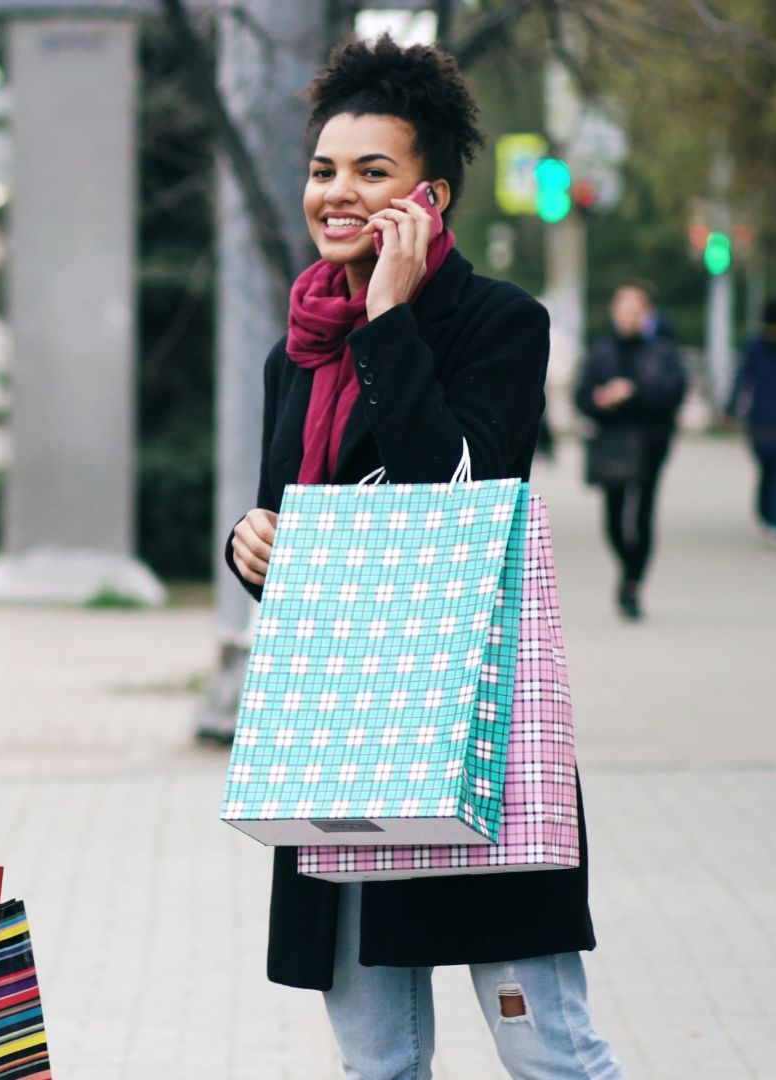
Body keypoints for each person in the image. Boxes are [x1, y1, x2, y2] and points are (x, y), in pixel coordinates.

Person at [224, 36, 623, 1079]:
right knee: (379, 1064)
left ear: (430, 196)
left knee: (552, 1052)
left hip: (463, 723)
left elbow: (454, 495)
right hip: (341, 736)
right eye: (323, 170)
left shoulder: (498, 325)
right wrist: (249, 542)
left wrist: (391, 317)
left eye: (372, 171)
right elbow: (290, 516)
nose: (337, 194)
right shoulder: (296, 353)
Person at [574, 280, 688, 620]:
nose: (629, 315)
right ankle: (629, 567)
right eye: (623, 307)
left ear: (647, 314)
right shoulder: (600, 353)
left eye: (636, 308)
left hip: (651, 444)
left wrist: (635, 392)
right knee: (613, 521)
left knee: (642, 516)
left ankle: (632, 584)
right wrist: (600, 399)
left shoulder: (662, 352)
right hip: (612, 446)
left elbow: (673, 393)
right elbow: (581, 397)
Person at [728, 296, 776, 548]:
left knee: (772, 472)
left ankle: (773, 517)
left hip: (764, 421)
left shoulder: (755, 346)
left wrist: (731, 408)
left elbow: (742, 379)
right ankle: (775, 519)